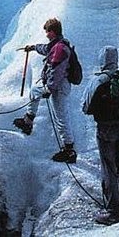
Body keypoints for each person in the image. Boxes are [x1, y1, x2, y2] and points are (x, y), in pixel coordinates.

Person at [82, 45, 119, 225]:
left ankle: (112, 211)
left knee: (109, 167)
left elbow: (86, 107)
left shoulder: (98, 81)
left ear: (102, 61)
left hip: (106, 129)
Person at [13, 17, 76, 163]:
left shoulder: (59, 48)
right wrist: (33, 47)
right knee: (35, 90)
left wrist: (49, 87)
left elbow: (57, 70)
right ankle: (28, 121)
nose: (46, 34)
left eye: (47, 32)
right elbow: (45, 49)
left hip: (59, 86)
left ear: (52, 32)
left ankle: (69, 150)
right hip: (57, 85)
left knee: (61, 117)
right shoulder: (55, 46)